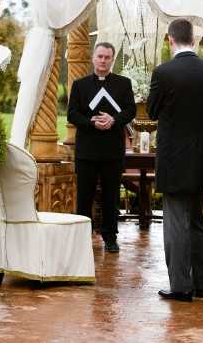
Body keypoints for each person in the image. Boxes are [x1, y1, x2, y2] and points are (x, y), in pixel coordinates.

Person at [147, 19, 203, 302]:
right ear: (194, 39)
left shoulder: (163, 72)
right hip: (202, 156)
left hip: (174, 159)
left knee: (176, 222)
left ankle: (180, 287)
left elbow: (152, 111)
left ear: (170, 39)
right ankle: (200, 284)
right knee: (198, 220)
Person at [68, 42, 136, 253]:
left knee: (111, 196)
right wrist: (92, 123)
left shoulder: (123, 84)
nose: (103, 60)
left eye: (107, 57)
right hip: (87, 150)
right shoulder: (80, 85)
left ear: (112, 60)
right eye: (100, 56)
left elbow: (131, 110)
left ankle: (110, 237)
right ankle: (81, 237)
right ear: (93, 58)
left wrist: (114, 120)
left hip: (112, 150)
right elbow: (72, 113)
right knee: (84, 196)